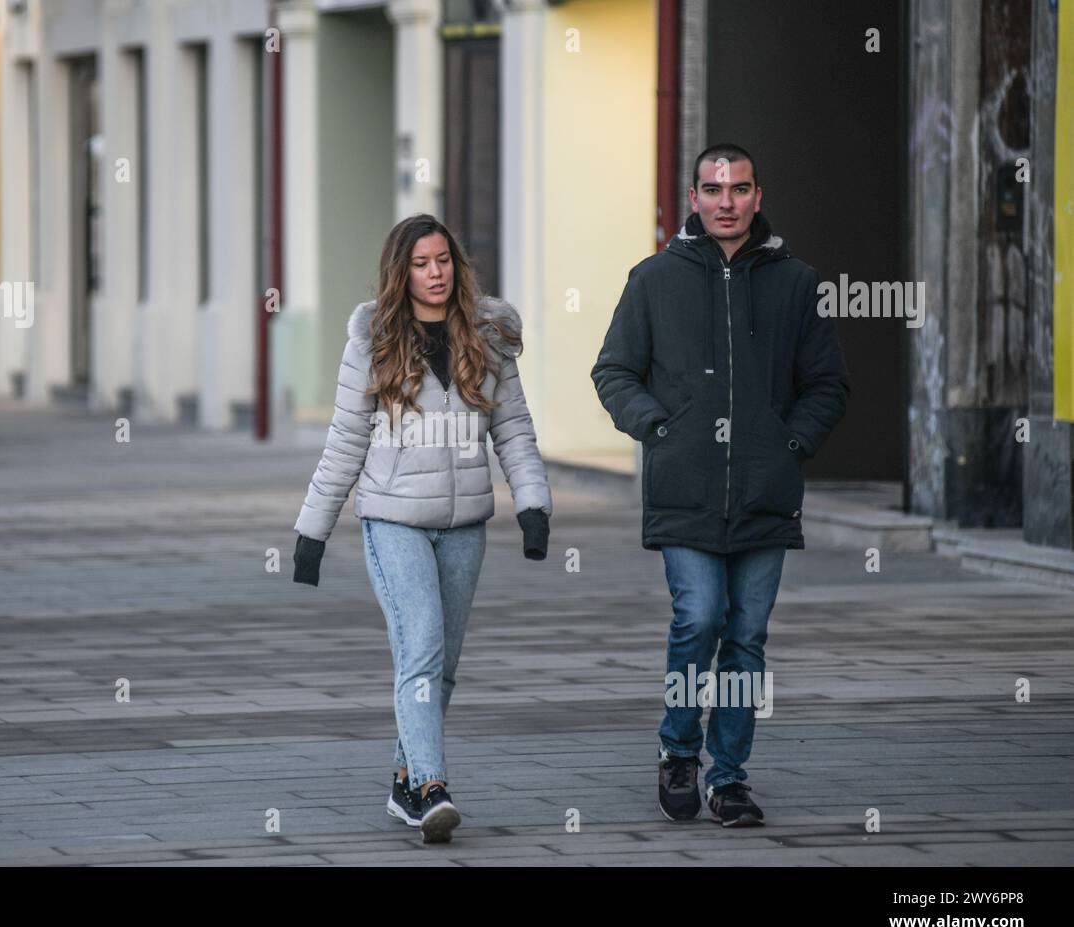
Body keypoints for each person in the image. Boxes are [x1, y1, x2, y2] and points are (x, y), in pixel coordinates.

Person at [591, 144, 849, 827]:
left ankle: (729, 777)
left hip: (766, 492)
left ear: (758, 196)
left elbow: (827, 385)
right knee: (699, 617)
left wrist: (790, 443)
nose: (726, 200)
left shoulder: (796, 283)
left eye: (738, 188)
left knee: (747, 636)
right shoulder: (654, 279)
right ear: (695, 198)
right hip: (686, 489)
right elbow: (614, 371)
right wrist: (659, 429)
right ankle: (679, 749)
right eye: (713, 188)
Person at [292, 213, 552, 844]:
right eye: (420, 263)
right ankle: (432, 787)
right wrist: (312, 532)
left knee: (445, 664)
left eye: (443, 261)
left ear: (456, 266)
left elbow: (513, 427)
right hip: (393, 519)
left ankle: (407, 778)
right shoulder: (375, 340)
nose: (434, 273)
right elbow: (345, 440)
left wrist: (533, 502)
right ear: (400, 272)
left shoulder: (487, 338)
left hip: (465, 525)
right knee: (424, 646)